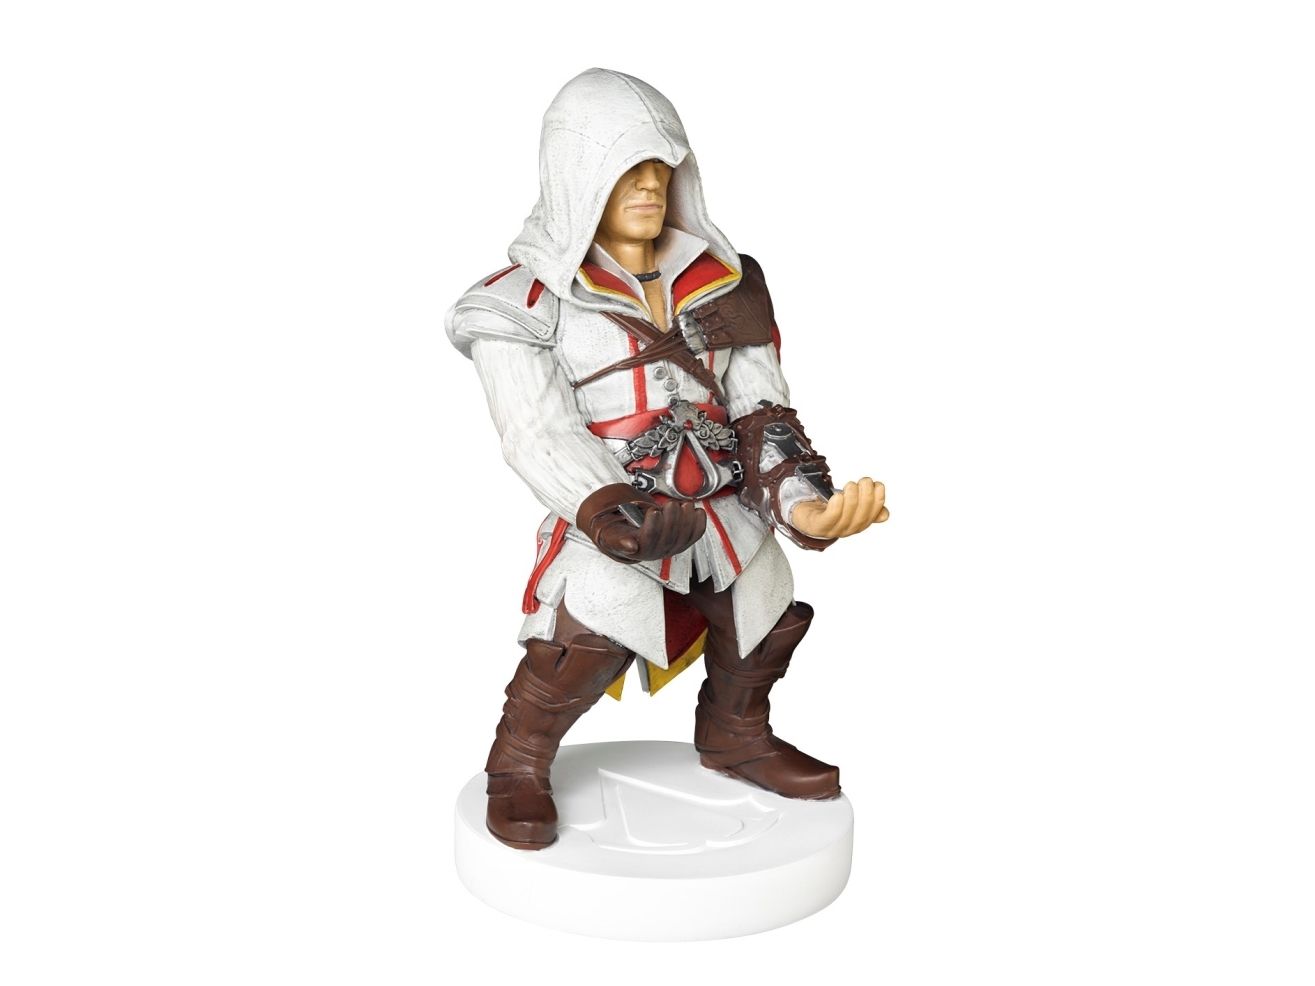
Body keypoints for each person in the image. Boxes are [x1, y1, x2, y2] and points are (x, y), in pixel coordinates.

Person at [445, 67, 887, 851]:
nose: (651, 185)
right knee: (588, 631)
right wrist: (609, 512)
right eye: (627, 167)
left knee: (765, 610)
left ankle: (735, 734)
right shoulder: (519, 304)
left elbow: (759, 408)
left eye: (661, 165)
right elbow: (536, 431)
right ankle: (517, 762)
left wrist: (805, 506)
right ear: (577, 173)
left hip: (721, 503)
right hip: (614, 511)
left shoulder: (726, 282)